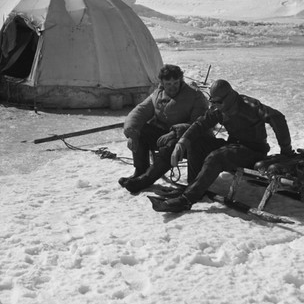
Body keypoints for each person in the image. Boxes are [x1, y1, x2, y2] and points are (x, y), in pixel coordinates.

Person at [150, 79, 294, 212]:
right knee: (196, 142)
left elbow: (277, 118)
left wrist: (286, 150)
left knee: (217, 157)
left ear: (229, 98)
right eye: (213, 102)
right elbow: (200, 124)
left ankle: (187, 200)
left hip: (253, 150)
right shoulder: (219, 108)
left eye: (218, 102)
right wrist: (182, 142)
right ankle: (193, 187)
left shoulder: (249, 106)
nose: (215, 106)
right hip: (233, 147)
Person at [119, 64, 210, 193]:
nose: (172, 87)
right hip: (167, 135)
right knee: (141, 131)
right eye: (168, 84)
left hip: (190, 140)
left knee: (171, 144)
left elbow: (199, 123)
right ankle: (140, 171)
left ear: (181, 80)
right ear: (162, 82)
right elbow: (139, 112)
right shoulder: (158, 94)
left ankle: (146, 179)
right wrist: (132, 132)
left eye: (176, 83)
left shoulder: (194, 96)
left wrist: (174, 133)